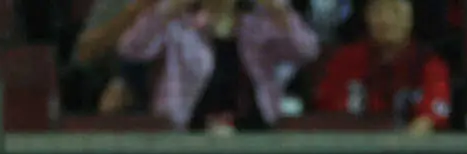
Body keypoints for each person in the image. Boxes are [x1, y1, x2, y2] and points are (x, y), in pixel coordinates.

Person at [117, 0, 320, 131]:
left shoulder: (260, 25)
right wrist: (167, 9)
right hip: (185, 135)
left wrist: (280, 10)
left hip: (256, 135)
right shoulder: (179, 25)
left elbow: (307, 51)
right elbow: (131, 50)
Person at [313, 0, 452, 133]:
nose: (386, 20)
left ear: (410, 18)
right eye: (379, 11)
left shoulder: (430, 66)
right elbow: (328, 114)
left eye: (395, 11)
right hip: (350, 149)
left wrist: (397, 148)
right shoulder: (344, 60)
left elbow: (429, 119)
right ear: (367, 16)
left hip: (405, 151)